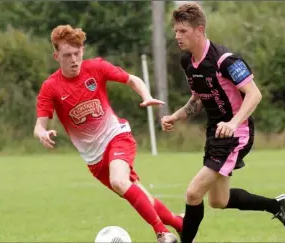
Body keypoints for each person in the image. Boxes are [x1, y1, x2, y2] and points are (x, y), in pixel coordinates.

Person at [34, 24, 182, 243]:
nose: (74, 60)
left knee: (119, 181)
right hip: (95, 161)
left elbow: (132, 79)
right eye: (67, 55)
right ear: (57, 56)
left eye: (77, 53)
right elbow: (39, 125)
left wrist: (146, 95)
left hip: (117, 137)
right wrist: (42, 133)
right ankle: (182, 225)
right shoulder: (51, 87)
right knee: (144, 198)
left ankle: (162, 233)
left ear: (82, 51)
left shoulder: (96, 67)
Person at [161, 3, 285, 243]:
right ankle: (277, 205)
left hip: (236, 133)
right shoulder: (188, 62)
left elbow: (254, 94)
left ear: (199, 30)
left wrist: (233, 123)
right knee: (218, 201)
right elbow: (199, 98)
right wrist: (177, 115)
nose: (177, 36)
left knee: (193, 193)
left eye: (183, 31)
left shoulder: (226, 60)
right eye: (176, 31)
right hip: (216, 133)